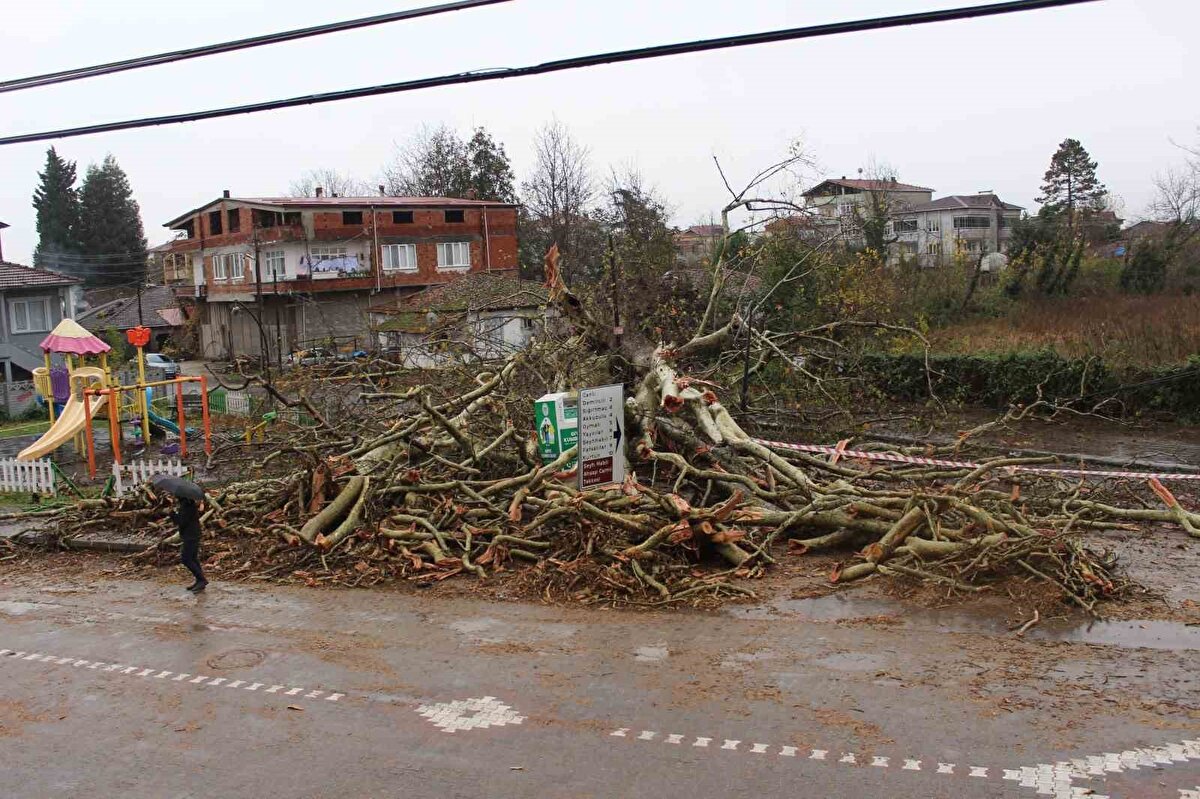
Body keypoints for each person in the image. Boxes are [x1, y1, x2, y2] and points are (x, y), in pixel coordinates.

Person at [170, 497, 207, 592]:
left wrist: (172, 513)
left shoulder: (186, 506)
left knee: (186, 559)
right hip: (193, 534)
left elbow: (181, 522)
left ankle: (202, 580)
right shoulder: (189, 504)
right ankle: (199, 580)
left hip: (190, 535)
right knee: (193, 558)